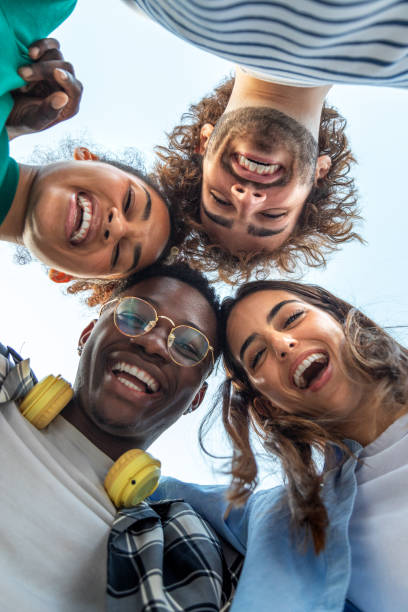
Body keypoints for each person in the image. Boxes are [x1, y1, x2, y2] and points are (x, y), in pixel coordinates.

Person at [151, 279, 408, 611]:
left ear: (341, 317)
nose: (282, 343)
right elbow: (153, 489)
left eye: (291, 318)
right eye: (257, 355)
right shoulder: (289, 521)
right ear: (267, 405)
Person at [0, 261, 242, 611]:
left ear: (197, 399)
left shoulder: (184, 547)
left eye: (188, 348)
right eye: (134, 317)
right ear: (87, 334)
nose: (156, 344)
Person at [125, 1, 408, 279]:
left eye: (220, 200)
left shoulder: (168, 8)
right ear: (319, 174)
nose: (248, 200)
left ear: (204, 142)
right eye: (272, 216)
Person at [0, 1, 172, 280]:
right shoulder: (33, 14)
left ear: (63, 275)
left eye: (118, 254)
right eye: (129, 201)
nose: (115, 228)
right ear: (88, 157)